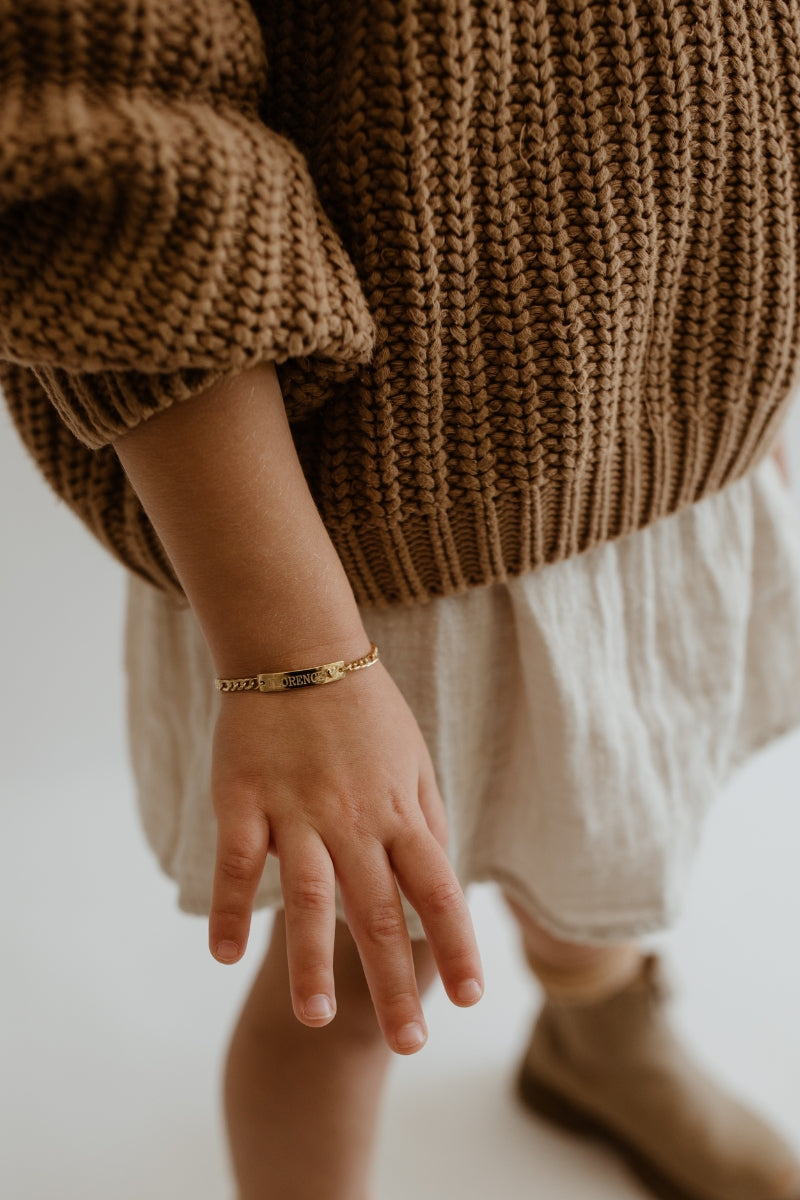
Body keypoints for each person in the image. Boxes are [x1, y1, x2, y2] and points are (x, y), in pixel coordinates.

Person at [3, 3, 800, 1198]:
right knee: (366, 984)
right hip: (360, 570)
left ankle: (597, 1035)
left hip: (676, 442)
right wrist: (297, 656)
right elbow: (113, 158)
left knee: (609, 825)